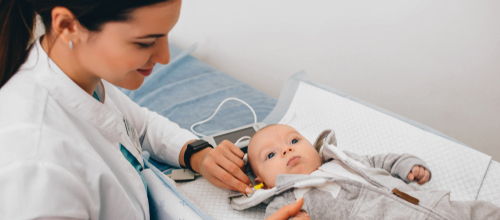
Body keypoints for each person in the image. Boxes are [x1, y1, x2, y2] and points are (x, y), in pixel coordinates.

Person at [0, 0, 308, 219]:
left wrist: (196, 153)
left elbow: (141, 124)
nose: (164, 56)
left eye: (166, 35)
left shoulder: (78, 77)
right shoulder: (37, 169)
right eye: (146, 42)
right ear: (68, 26)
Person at [241, 124, 500, 219]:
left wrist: (407, 165)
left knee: (483, 211)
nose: (286, 150)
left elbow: (381, 161)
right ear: (261, 181)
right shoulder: (285, 200)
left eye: (294, 141)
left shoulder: (343, 159)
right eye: (271, 155)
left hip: (433, 204)